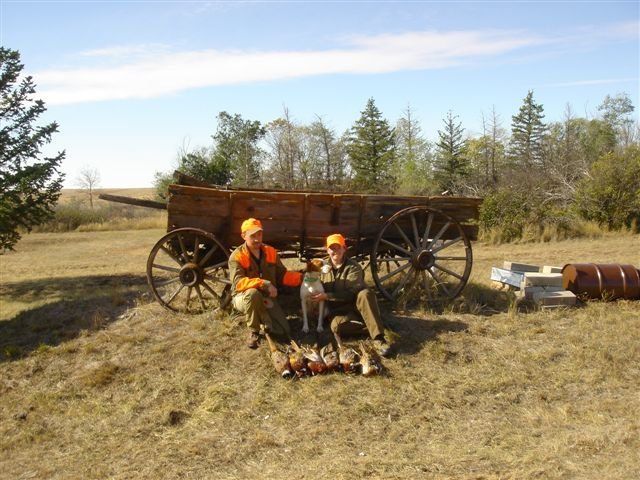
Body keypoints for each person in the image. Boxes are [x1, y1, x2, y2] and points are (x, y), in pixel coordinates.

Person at [310, 233, 391, 357]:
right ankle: (372, 323)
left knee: (365, 294)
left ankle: (378, 338)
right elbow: (312, 285)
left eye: (338, 247)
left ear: (344, 248)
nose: (335, 251)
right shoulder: (322, 267)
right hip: (336, 310)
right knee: (335, 328)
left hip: (354, 304)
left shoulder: (353, 267)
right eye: (332, 248)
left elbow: (350, 294)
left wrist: (326, 296)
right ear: (327, 250)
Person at [228, 218, 303, 349]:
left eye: (259, 234)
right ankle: (254, 331)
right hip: (243, 297)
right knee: (253, 293)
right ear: (243, 236)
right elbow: (238, 283)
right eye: (252, 236)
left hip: (266, 297)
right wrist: (264, 283)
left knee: (282, 330)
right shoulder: (237, 256)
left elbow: (282, 276)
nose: (257, 239)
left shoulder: (271, 252)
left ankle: (262, 318)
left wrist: (303, 278)